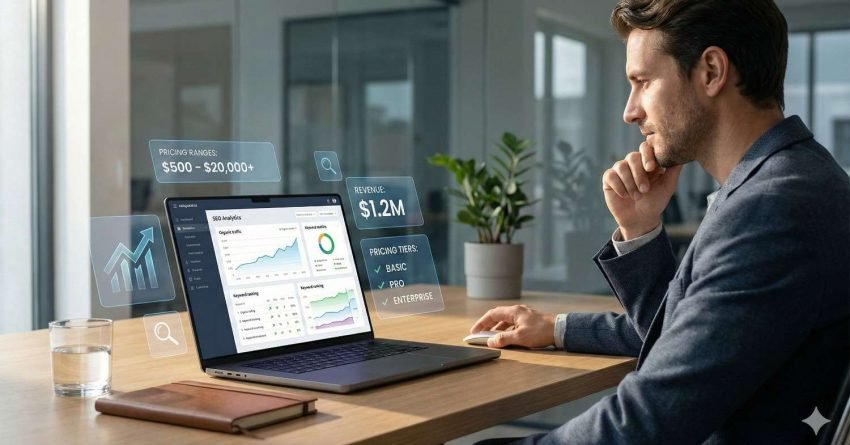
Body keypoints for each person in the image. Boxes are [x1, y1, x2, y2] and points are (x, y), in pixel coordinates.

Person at [470, 0, 850, 443]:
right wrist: (638, 229)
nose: (630, 111)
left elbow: (649, 422)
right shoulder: (793, 177)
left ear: (711, 71)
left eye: (643, 82)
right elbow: (696, 337)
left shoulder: (771, 208)